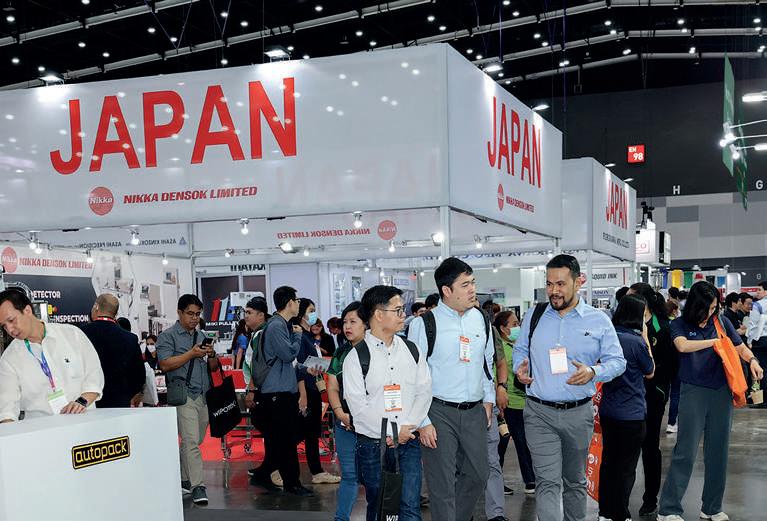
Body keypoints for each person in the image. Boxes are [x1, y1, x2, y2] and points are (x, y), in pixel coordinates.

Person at [512, 254, 626, 521]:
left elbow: (618, 362)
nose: (554, 290)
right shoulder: (535, 315)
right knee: (547, 481)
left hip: (578, 413)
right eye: (549, 283)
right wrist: (520, 367)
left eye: (561, 284)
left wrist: (593, 372)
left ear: (578, 282)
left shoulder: (598, 320)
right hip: (539, 412)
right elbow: (520, 349)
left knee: (575, 481)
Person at [658, 281, 764, 521]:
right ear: (695, 306)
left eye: (715, 307)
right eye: (707, 307)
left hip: (721, 392)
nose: (711, 311)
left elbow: (740, 347)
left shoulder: (721, 322)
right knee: (685, 451)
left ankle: (712, 507)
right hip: (693, 391)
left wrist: (753, 360)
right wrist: (714, 342)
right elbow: (682, 346)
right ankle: (669, 509)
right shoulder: (679, 324)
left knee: (719, 451)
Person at [408, 258, 495, 521]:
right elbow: (413, 376)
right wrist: (422, 421)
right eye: (465, 285)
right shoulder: (424, 324)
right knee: (442, 484)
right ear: (447, 290)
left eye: (473, 283)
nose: (472, 289)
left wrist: (488, 400)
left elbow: (486, 362)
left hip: (474, 410)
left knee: (479, 474)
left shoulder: (480, 319)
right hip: (438, 411)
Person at [345, 285, 432, 521]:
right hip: (374, 445)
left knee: (410, 506)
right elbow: (358, 407)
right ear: (378, 314)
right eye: (398, 310)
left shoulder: (412, 350)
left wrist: (408, 427)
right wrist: (392, 432)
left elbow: (424, 391)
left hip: (408, 441)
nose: (403, 315)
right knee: (380, 506)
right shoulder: (356, 357)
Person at [246, 286, 313, 497]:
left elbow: (287, 362)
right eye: (297, 300)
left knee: (282, 440)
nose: (299, 304)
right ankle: (291, 483)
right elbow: (287, 354)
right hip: (276, 393)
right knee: (286, 440)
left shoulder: (281, 325)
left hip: (282, 391)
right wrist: (298, 337)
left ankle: (264, 475)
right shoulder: (277, 326)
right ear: (289, 302)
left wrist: (305, 369)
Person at [0, 289, 104, 423]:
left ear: (27, 310)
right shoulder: (9, 359)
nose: (10, 329)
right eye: (4, 326)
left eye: (11, 320)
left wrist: (81, 402)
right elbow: (6, 409)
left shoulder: (72, 335)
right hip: (41, 430)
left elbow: (94, 377)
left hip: (85, 423)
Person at [156, 294, 220, 505]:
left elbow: (213, 368)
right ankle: (197, 485)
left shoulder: (202, 335)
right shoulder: (168, 336)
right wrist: (191, 354)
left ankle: (183, 478)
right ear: (179, 312)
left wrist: (211, 355)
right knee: (191, 441)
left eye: (197, 314)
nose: (194, 318)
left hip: (203, 394)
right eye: (190, 313)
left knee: (196, 439)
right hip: (183, 395)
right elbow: (165, 364)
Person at [598, 294, 655, 521]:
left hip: (608, 411)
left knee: (608, 462)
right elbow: (650, 371)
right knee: (626, 467)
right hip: (631, 414)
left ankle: (605, 512)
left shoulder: (609, 338)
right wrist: (646, 338)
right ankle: (620, 513)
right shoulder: (636, 342)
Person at [626, 283, 678, 517]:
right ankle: (621, 498)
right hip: (627, 395)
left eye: (631, 297)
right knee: (627, 448)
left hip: (652, 395)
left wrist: (659, 389)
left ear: (644, 301)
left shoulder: (663, 327)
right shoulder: (625, 324)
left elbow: (670, 366)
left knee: (649, 447)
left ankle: (650, 498)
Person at [292, 299, 340, 485]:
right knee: (305, 431)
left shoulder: (308, 336)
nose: (313, 314)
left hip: (313, 386)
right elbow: (298, 366)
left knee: (311, 431)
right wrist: (303, 394)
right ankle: (276, 465)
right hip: (306, 389)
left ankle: (317, 471)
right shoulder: (299, 336)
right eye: (311, 310)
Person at [327, 301, 365, 521]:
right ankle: (341, 518)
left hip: (372, 426)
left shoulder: (377, 350)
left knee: (375, 477)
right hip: (345, 424)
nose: (347, 326)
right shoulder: (341, 353)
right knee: (349, 475)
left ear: (366, 323)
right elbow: (332, 386)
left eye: (353, 321)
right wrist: (339, 412)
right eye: (345, 322)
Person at [494, 311, 536, 495]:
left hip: (524, 401)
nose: (518, 327)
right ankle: (500, 481)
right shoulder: (500, 348)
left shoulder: (519, 345)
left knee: (524, 442)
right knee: (506, 442)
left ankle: (530, 479)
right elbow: (496, 374)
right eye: (514, 324)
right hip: (508, 402)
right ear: (503, 329)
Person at [80, 294, 145, 408]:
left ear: (96, 307)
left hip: (87, 403)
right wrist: (125, 395)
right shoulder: (130, 338)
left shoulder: (80, 334)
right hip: (119, 403)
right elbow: (139, 376)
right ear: (115, 313)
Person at [484, 314, 510, 521]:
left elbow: (500, 363)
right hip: (452, 407)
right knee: (459, 464)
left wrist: (501, 387)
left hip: (487, 405)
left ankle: (496, 514)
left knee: (492, 460)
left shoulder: (488, 330)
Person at [747, 282, 767, 397]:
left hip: (761, 340)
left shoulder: (757, 305)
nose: (757, 292)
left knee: (760, 368)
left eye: (759, 290)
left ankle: (761, 397)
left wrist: (749, 341)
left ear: (766, 291)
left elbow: (753, 325)